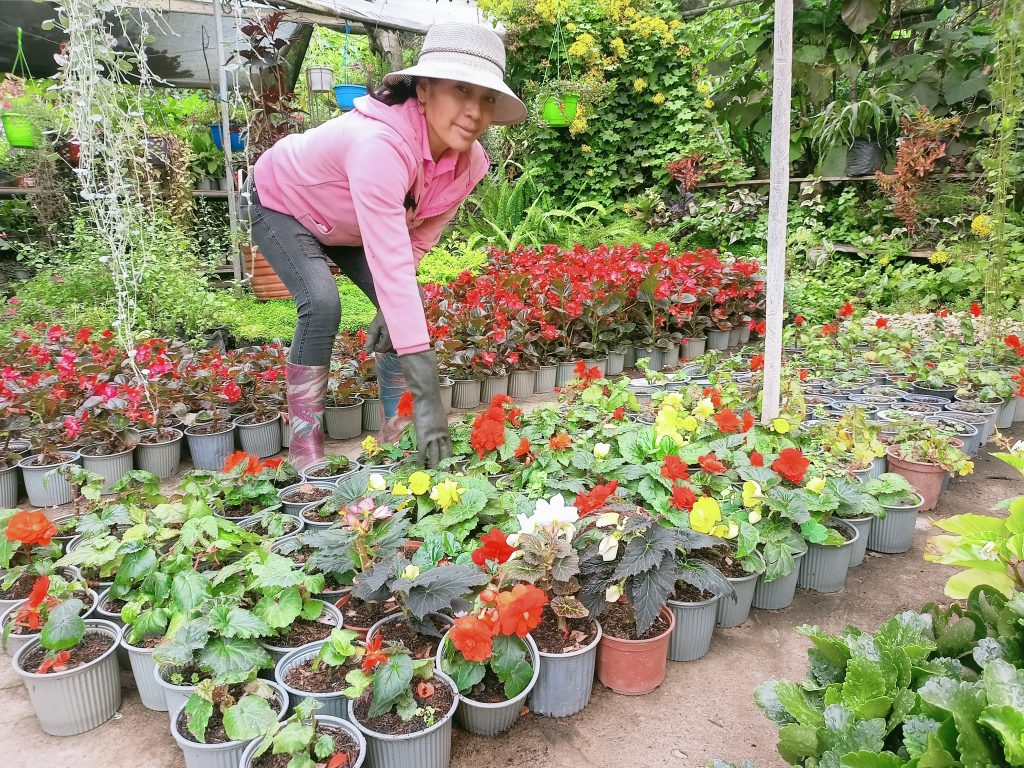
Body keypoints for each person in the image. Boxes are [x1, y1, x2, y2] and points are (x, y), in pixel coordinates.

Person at [247, 23, 527, 470]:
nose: (475, 111)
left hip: (349, 224)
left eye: (487, 98)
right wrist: (429, 399)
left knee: (404, 305)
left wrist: (389, 308)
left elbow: (415, 242)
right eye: (460, 90)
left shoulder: (469, 164)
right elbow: (391, 261)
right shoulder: (380, 145)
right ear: (424, 90)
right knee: (321, 304)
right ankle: (304, 446)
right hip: (285, 201)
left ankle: (396, 436)